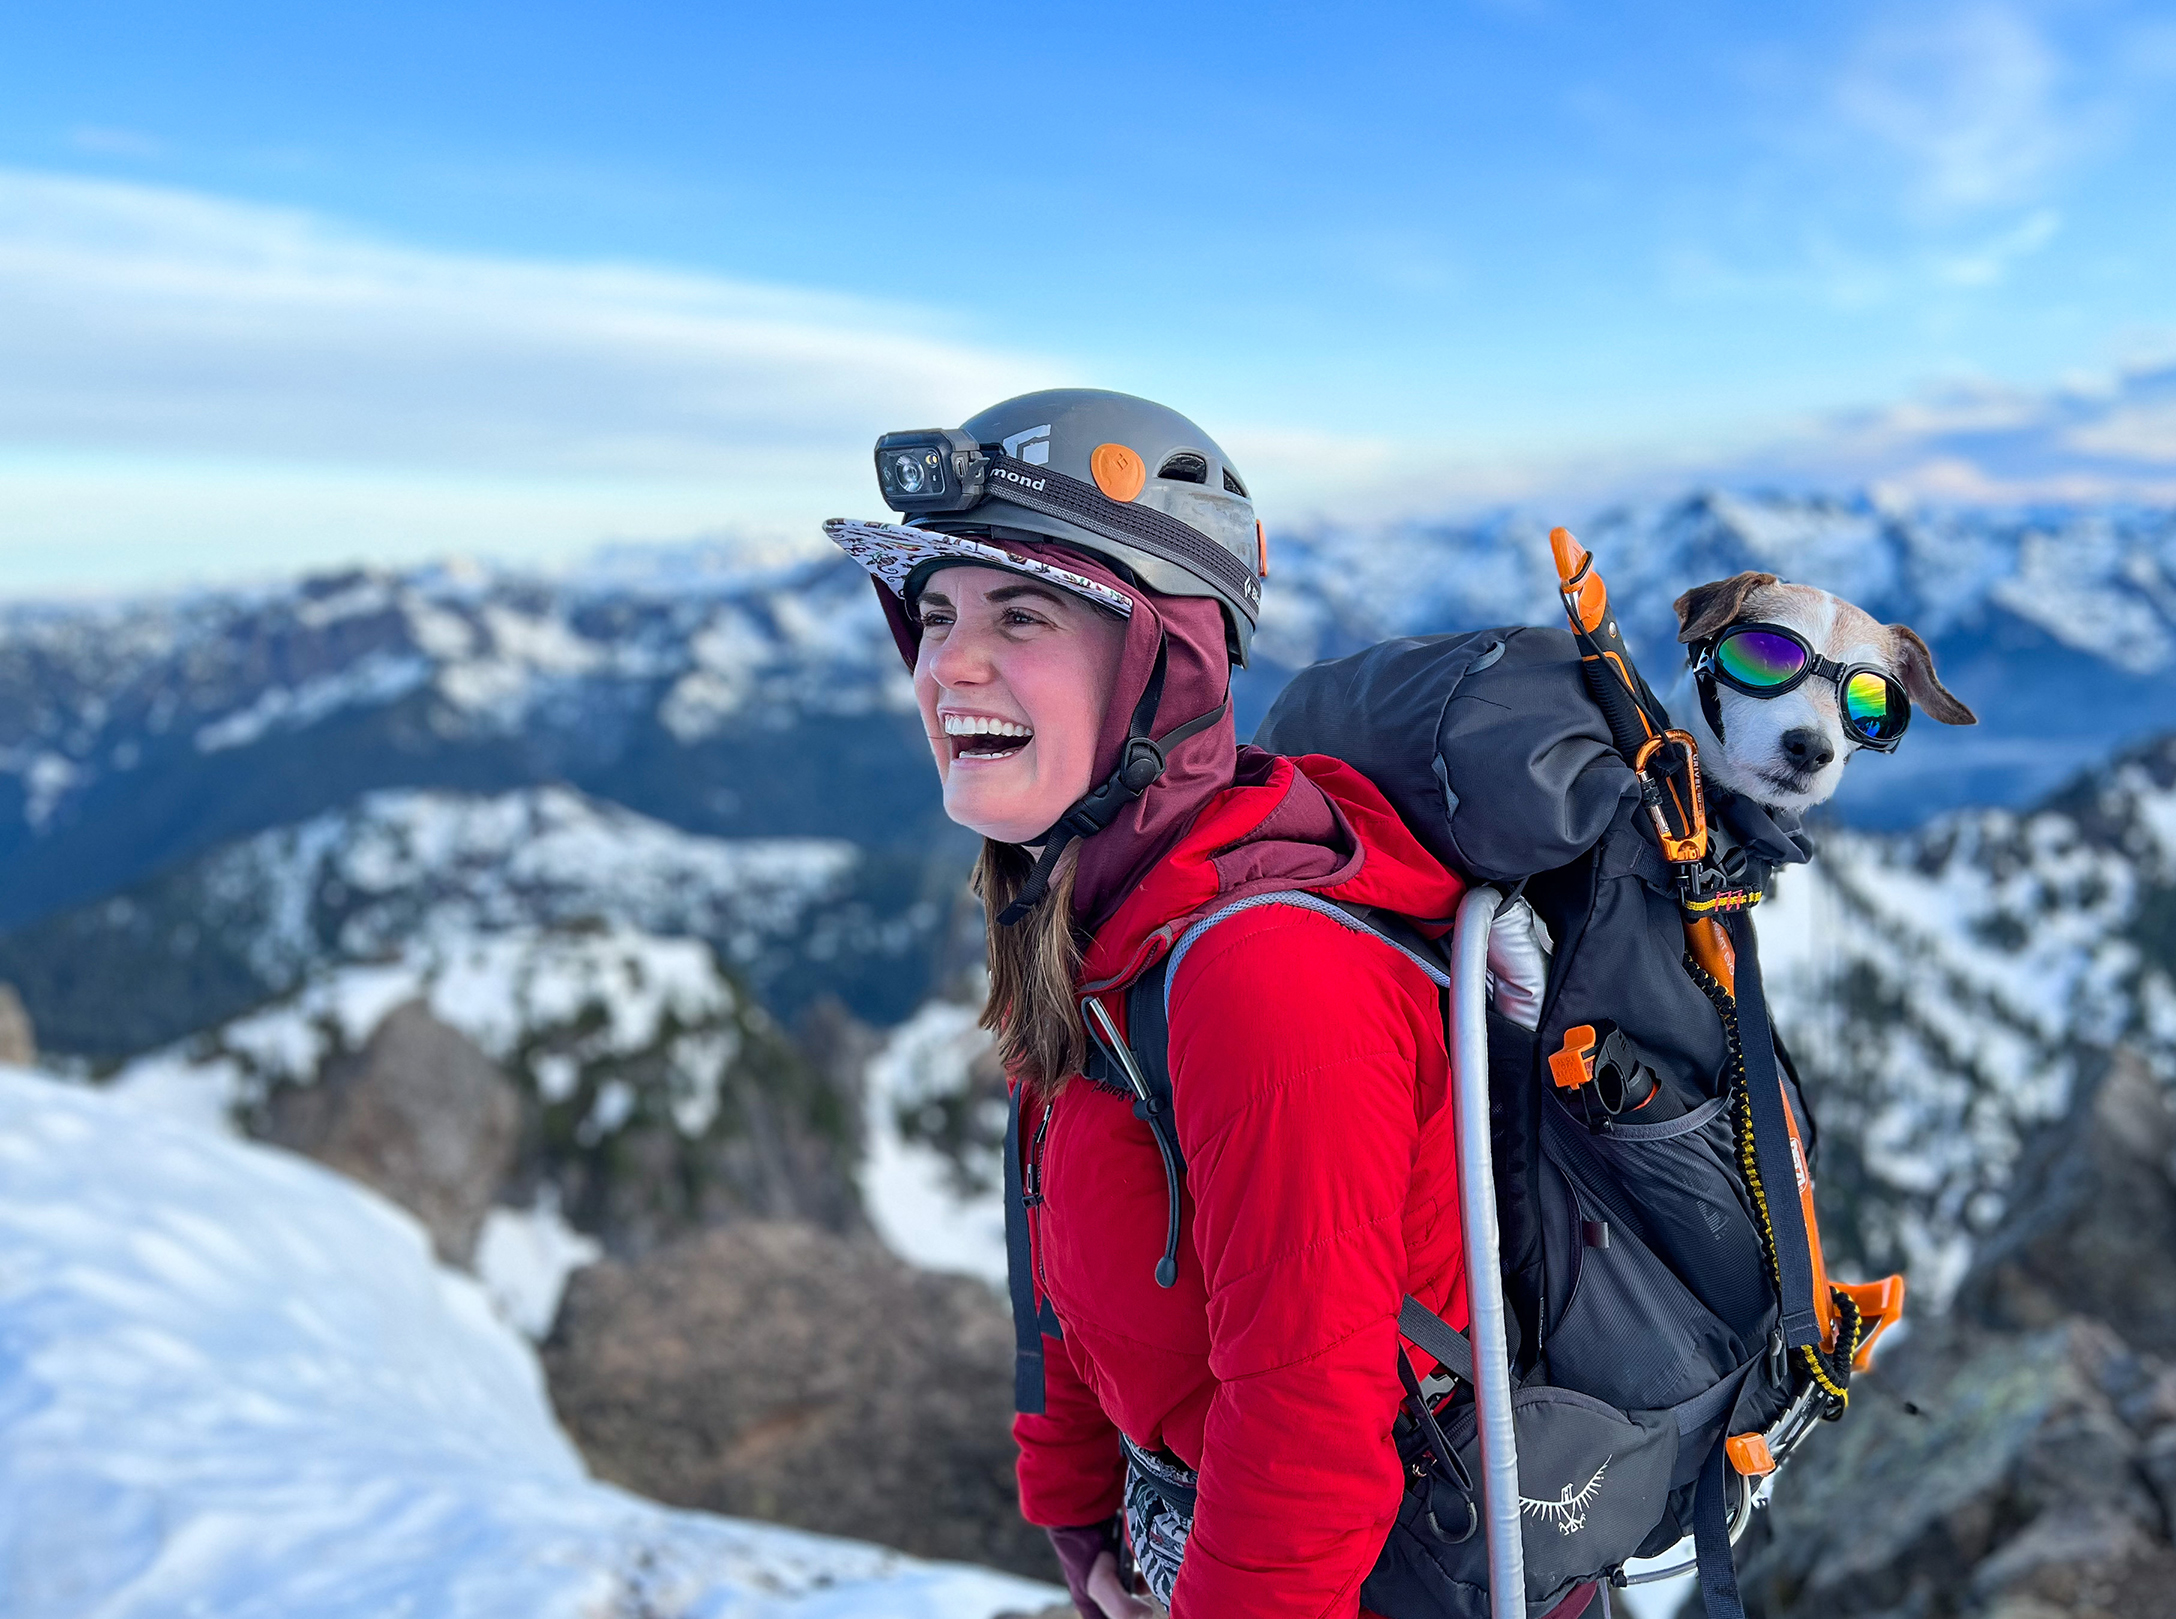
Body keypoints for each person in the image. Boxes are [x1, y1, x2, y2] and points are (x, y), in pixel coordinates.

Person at [825, 391, 1474, 1619]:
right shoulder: (1095, 919)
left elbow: (1309, 1427)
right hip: (1186, 1542)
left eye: (1022, 615)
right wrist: (1078, 1514)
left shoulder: (1265, 974)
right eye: (936, 615)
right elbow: (1067, 1250)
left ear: (1163, 662)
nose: (947, 664)